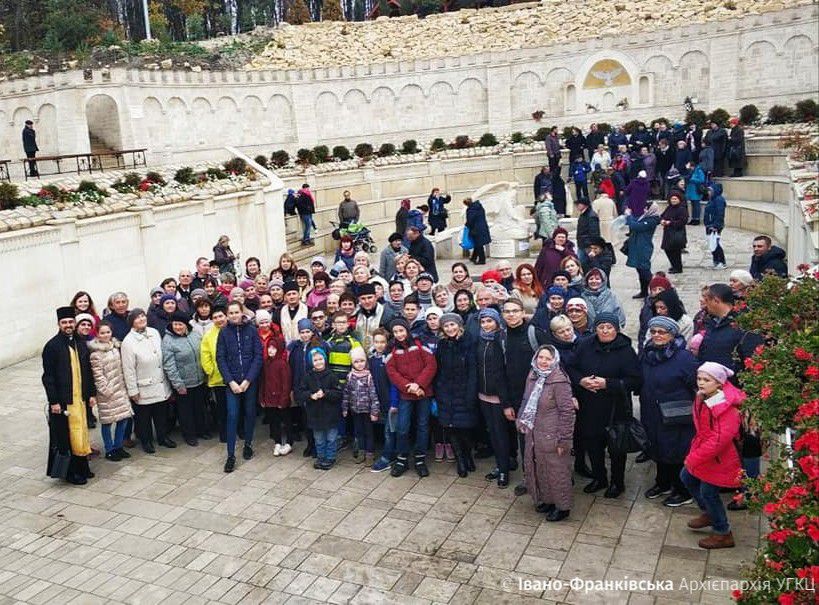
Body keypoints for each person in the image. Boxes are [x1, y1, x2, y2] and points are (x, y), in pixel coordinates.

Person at [566, 313, 642, 498]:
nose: (605, 331)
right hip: (589, 406)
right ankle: (599, 478)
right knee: (593, 444)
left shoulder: (626, 351)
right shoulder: (585, 345)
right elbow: (571, 367)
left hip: (616, 409)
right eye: (601, 327)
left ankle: (617, 482)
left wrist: (608, 384)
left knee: (616, 448)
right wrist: (581, 381)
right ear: (595, 329)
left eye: (609, 327)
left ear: (617, 329)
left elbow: (635, 380)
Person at [682, 362, 745, 550]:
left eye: (706, 380)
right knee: (687, 478)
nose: (701, 383)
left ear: (719, 383)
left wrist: (694, 457)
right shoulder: (704, 397)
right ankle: (710, 513)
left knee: (708, 492)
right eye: (699, 378)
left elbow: (719, 440)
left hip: (721, 458)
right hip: (707, 453)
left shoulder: (727, 407)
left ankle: (722, 532)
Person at [639, 316, 699, 507]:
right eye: (653, 331)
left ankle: (682, 490)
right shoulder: (647, 354)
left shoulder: (684, 358)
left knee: (676, 452)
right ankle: (663, 483)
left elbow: (696, 385)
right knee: (657, 447)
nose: (657, 335)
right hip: (652, 411)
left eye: (662, 332)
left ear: (672, 335)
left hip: (676, 415)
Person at [519, 345, 575, 521]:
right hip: (535, 433)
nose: (543, 362)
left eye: (548, 359)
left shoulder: (560, 381)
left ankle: (563, 507)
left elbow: (567, 412)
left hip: (553, 435)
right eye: (540, 357)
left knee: (557, 472)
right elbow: (526, 399)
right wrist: (521, 419)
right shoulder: (533, 375)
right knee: (540, 469)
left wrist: (564, 440)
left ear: (555, 360)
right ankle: (548, 500)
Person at [43, 307, 95, 484]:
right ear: (59, 324)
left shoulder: (80, 342)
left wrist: (91, 394)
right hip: (64, 401)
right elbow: (48, 377)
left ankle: (83, 468)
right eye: (64, 322)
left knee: (81, 433)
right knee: (68, 436)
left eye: (70, 322)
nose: (68, 325)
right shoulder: (52, 346)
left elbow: (87, 371)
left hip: (80, 399)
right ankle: (72, 473)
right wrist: (54, 401)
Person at [385, 317, 437, 478]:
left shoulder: (420, 344)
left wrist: (419, 384)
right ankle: (402, 459)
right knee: (402, 427)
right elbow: (392, 372)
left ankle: (420, 458)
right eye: (395, 332)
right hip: (406, 394)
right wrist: (409, 386)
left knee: (423, 425)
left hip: (423, 391)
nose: (399, 334)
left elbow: (431, 365)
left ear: (407, 330)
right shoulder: (392, 350)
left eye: (401, 330)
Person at [216, 301, 263, 472]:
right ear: (227, 315)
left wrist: (248, 380)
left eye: (237, 312)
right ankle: (230, 455)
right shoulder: (223, 332)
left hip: (249, 381)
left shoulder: (251, 330)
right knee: (232, 415)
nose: (234, 315)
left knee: (250, 413)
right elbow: (220, 358)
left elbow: (258, 356)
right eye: (231, 313)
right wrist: (231, 381)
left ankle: (248, 444)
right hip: (232, 383)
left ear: (242, 312)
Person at [121, 309, 175, 454]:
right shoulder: (128, 342)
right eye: (137, 318)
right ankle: (146, 441)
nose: (141, 319)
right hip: (143, 385)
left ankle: (163, 437)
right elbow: (128, 369)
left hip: (160, 382)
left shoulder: (154, 333)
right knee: (144, 417)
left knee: (161, 413)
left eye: (142, 316)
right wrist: (133, 390)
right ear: (131, 322)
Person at [475, 308, 512, 488]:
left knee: (500, 434)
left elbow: (504, 372)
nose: (486, 325)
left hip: (499, 396)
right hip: (483, 394)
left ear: (497, 322)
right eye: (483, 322)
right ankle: (500, 464)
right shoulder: (480, 340)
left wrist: (506, 400)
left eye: (489, 321)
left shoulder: (501, 340)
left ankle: (504, 469)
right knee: (492, 433)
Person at [88, 320, 133, 462]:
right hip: (107, 394)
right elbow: (98, 376)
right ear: (97, 334)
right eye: (102, 333)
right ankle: (109, 449)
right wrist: (106, 391)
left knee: (123, 419)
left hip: (120, 389)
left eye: (108, 332)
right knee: (107, 422)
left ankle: (118, 446)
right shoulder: (95, 354)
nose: (106, 335)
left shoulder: (115, 348)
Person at [162, 311, 208, 447]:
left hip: (199, 380)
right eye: (175, 324)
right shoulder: (168, 340)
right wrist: (178, 384)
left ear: (186, 325)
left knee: (199, 408)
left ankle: (201, 430)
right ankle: (189, 435)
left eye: (180, 324)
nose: (177, 327)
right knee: (185, 412)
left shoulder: (195, 334)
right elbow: (169, 365)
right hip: (183, 383)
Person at [297, 348, 343, 470]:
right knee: (319, 439)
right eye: (315, 360)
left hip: (331, 415)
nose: (318, 362)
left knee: (331, 438)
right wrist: (310, 396)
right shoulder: (307, 377)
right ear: (311, 362)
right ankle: (321, 457)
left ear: (325, 359)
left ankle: (330, 458)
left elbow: (338, 393)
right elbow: (300, 393)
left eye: (320, 359)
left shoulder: (332, 376)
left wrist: (326, 393)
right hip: (315, 415)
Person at [257, 310, 292, 455]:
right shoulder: (266, 363)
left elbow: (286, 384)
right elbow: (263, 382)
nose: (271, 350)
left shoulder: (283, 364)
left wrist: (284, 399)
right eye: (269, 348)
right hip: (269, 399)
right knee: (274, 421)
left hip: (280, 399)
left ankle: (289, 442)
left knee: (286, 420)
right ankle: (277, 442)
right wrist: (262, 397)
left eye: (274, 348)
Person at [342, 348, 379, 465]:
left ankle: (370, 454)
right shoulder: (350, 376)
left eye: (362, 361)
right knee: (358, 432)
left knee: (369, 432)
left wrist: (375, 411)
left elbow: (373, 395)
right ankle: (361, 451)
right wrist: (344, 408)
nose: (359, 364)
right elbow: (346, 393)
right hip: (355, 410)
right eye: (356, 362)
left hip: (367, 411)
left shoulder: (369, 376)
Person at [201, 305, 228, 442]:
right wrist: (210, 370)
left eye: (221, 316)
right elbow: (205, 355)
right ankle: (224, 433)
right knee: (221, 408)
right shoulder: (209, 335)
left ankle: (239, 429)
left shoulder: (233, 330)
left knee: (237, 406)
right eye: (215, 317)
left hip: (235, 377)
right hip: (218, 378)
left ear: (226, 316)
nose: (219, 319)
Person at [624, 203, 661, 299]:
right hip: (637, 246)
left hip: (643, 247)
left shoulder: (652, 220)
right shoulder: (644, 217)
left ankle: (657, 288)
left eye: (646, 208)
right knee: (639, 269)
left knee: (645, 270)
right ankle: (644, 291)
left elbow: (636, 226)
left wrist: (628, 216)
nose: (644, 210)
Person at [660, 192, 689, 274]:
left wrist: (671, 223)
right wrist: (662, 220)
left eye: (675, 199)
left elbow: (683, 221)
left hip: (677, 233)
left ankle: (678, 267)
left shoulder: (682, 209)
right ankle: (674, 265)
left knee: (676, 251)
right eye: (672, 199)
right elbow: (662, 216)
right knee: (667, 249)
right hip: (668, 233)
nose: (673, 200)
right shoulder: (669, 208)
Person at [703, 183, 727, 269]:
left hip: (714, 226)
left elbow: (720, 214)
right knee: (712, 243)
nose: (708, 192)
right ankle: (716, 261)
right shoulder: (712, 199)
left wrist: (715, 225)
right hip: (710, 225)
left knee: (715, 244)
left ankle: (720, 262)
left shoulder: (719, 200)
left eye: (710, 190)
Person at [464, 197, 491, 266]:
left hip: (476, 230)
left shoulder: (471, 210)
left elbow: (470, 220)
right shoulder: (479, 207)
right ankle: (473, 257)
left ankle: (482, 260)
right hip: (483, 228)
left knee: (479, 245)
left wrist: (466, 225)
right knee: (478, 244)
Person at [574, 197, 600, 269]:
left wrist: (593, 247)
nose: (577, 206)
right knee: (582, 265)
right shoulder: (583, 214)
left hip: (587, 245)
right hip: (582, 243)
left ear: (585, 205)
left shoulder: (591, 216)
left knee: (585, 265)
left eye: (579, 204)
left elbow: (594, 233)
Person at [685, 161, 706, 225]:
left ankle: (697, 219)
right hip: (691, 190)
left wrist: (692, 179)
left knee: (696, 205)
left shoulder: (699, 171)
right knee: (693, 205)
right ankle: (693, 219)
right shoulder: (690, 172)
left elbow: (702, 180)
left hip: (696, 190)